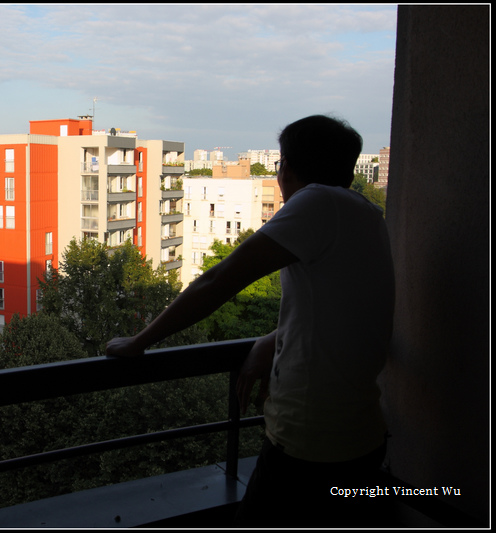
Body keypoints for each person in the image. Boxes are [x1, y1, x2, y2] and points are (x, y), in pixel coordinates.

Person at [106, 115, 395, 527]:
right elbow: (346, 307)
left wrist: (140, 341)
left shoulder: (316, 203)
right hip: (362, 437)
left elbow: (219, 279)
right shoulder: (366, 214)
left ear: (286, 169)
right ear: (349, 170)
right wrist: (274, 337)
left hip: (311, 445)